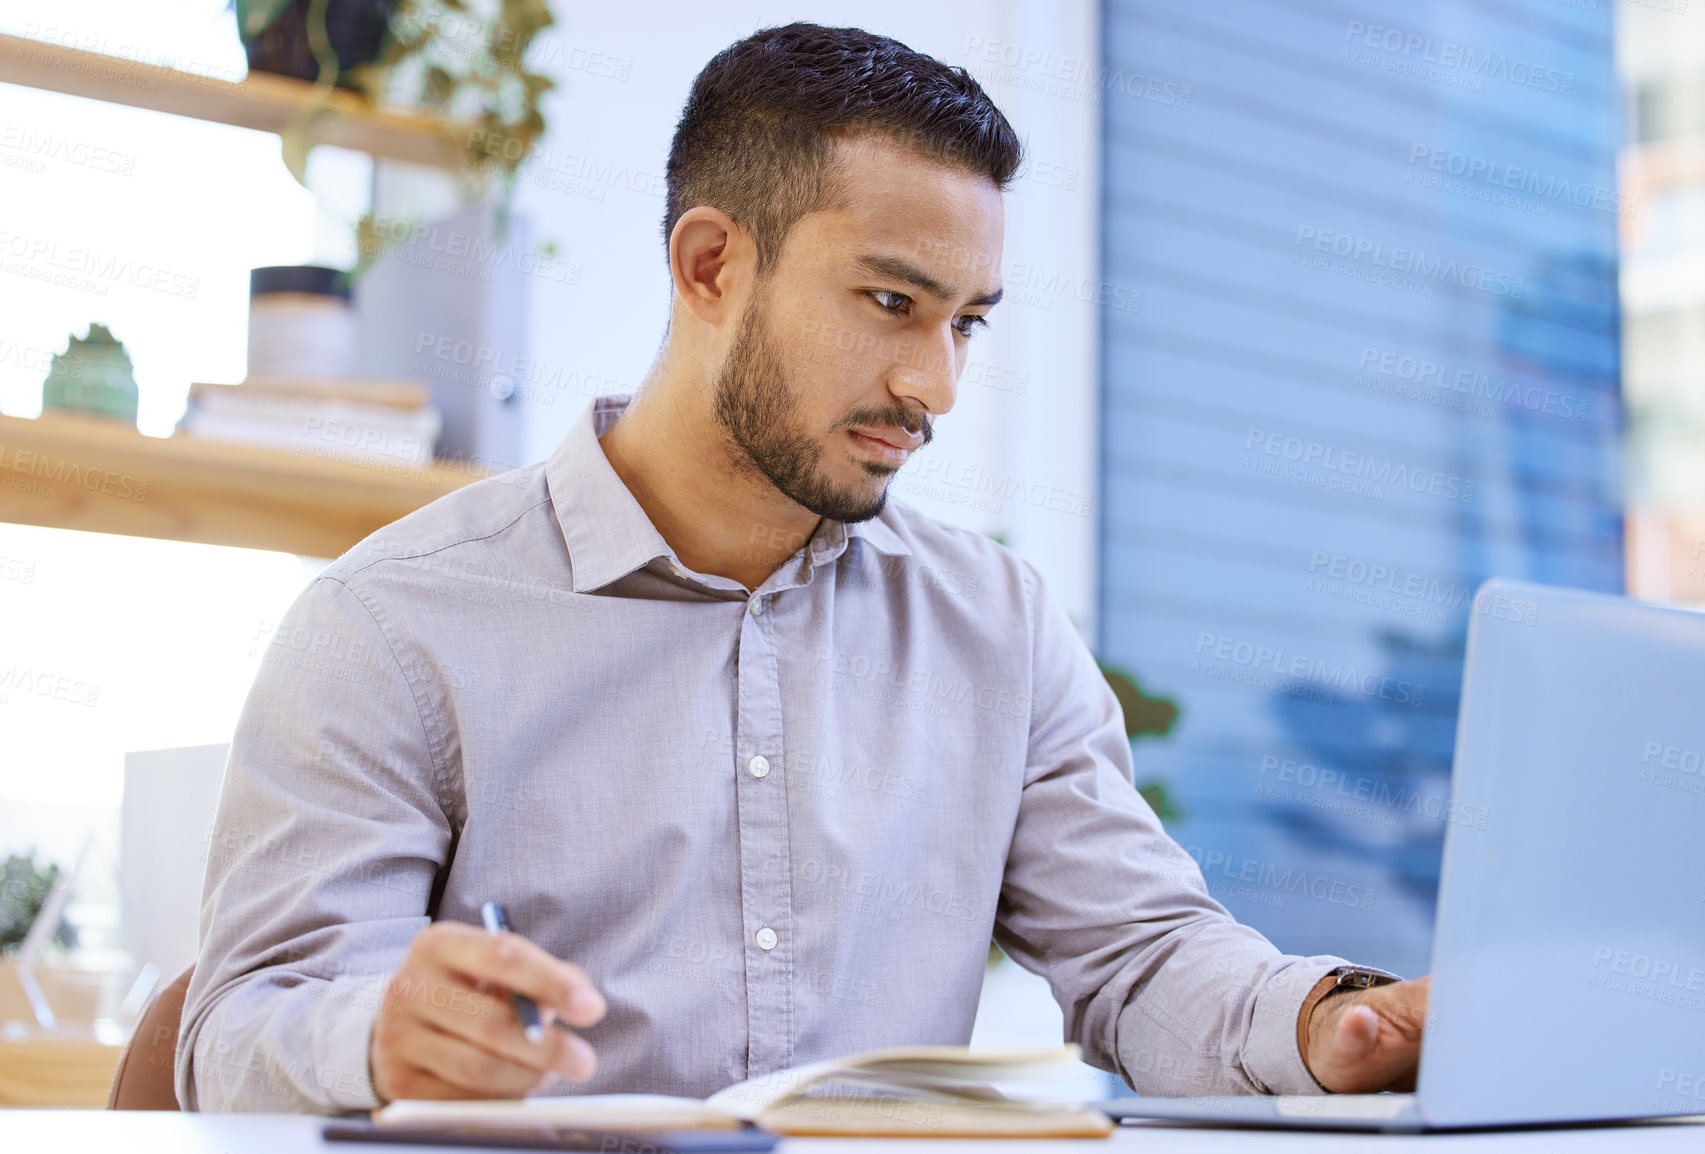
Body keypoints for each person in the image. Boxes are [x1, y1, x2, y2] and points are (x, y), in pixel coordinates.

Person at [175, 21, 1428, 1113]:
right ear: (711, 264)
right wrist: (377, 1034)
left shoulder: (995, 624)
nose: (933, 385)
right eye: (891, 302)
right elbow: (234, 1035)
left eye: (968, 323)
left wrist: (1331, 1021)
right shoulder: (393, 621)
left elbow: (1143, 954)